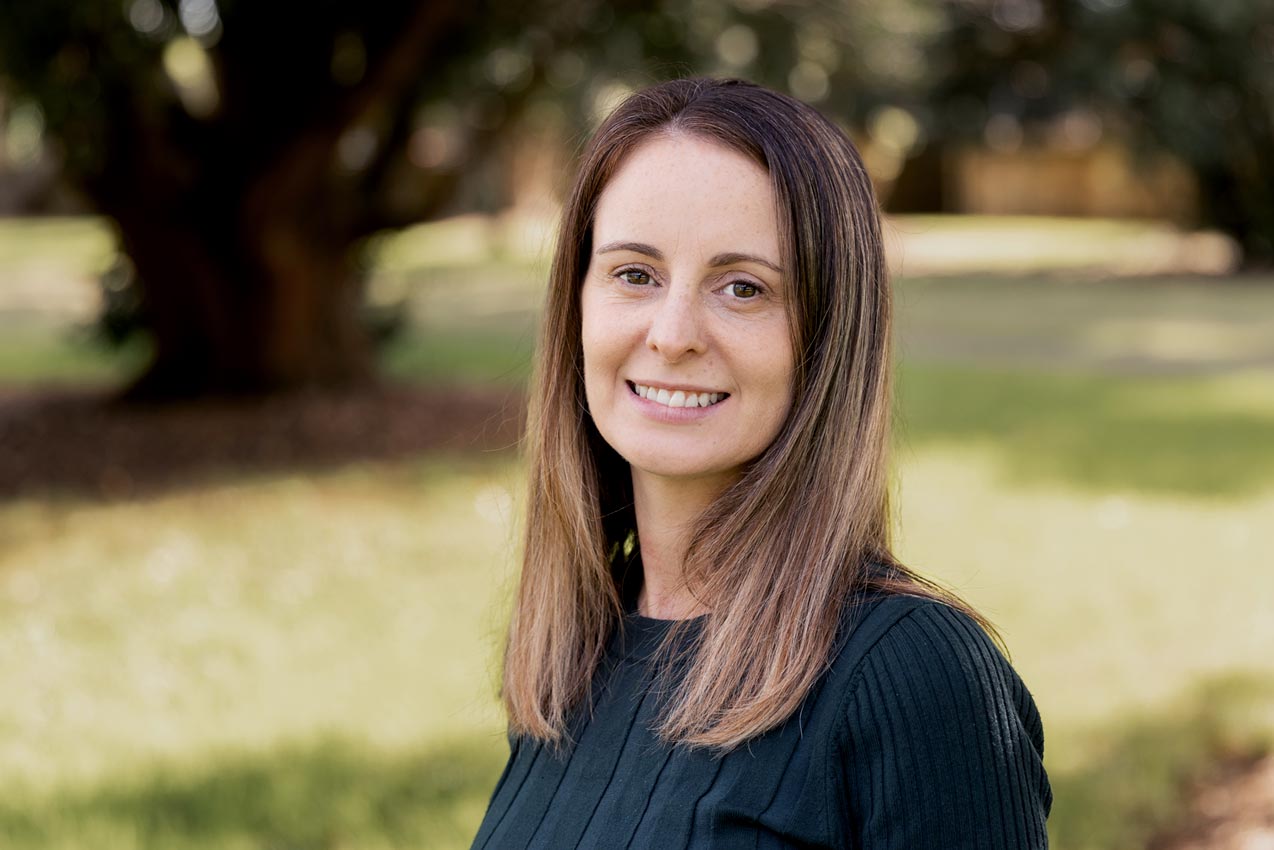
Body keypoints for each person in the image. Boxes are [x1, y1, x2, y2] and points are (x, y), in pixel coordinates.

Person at [471, 77, 1051, 849]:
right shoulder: (575, 658)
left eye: (744, 288)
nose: (673, 334)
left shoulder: (915, 678)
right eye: (634, 274)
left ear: (826, 338)